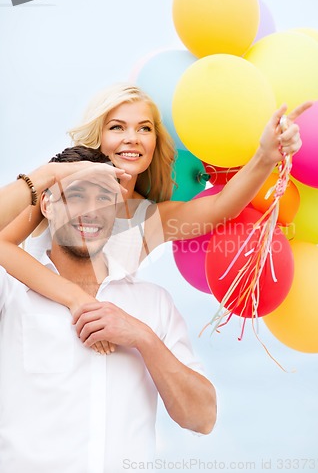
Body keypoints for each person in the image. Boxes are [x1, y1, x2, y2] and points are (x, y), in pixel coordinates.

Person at [0, 83, 311, 322]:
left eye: (144, 128)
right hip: (32, 327)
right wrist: (74, 298)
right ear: (99, 135)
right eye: (117, 127)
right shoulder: (64, 190)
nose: (133, 138)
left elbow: (221, 207)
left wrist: (267, 155)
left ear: (154, 143)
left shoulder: (150, 219)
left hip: (99, 338)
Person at [0, 146, 217, 473]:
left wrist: (143, 337)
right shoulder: (10, 292)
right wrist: (47, 175)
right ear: (47, 204)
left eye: (104, 198)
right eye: (75, 195)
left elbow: (202, 418)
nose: (90, 211)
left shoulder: (153, 303)